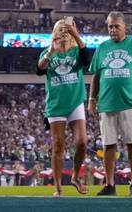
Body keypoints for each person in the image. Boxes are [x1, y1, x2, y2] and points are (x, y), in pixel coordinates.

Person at [88, 11, 132, 196]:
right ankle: (110, 184)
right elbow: (96, 76)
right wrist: (91, 99)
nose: (113, 29)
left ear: (125, 27)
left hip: (129, 102)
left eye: (117, 26)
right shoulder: (102, 48)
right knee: (108, 145)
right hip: (106, 104)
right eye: (110, 26)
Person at [37, 17, 91, 196]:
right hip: (56, 104)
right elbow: (39, 69)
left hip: (75, 101)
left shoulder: (77, 51)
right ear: (54, 32)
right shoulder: (48, 51)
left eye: (66, 28)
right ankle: (58, 187)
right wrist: (51, 51)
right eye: (60, 29)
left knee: (82, 142)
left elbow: (86, 60)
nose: (63, 31)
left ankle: (75, 177)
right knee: (59, 145)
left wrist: (76, 35)